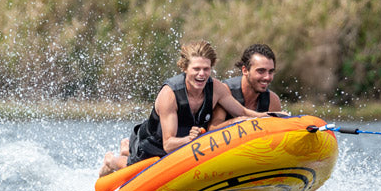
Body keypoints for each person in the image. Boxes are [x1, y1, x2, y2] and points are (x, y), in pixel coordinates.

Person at [99, 40, 274, 177]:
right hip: (152, 143)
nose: (202, 74)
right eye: (196, 69)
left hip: (185, 142)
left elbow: (243, 113)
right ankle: (113, 159)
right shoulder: (170, 94)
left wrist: (272, 117)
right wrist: (190, 140)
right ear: (185, 68)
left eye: (206, 69)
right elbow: (168, 145)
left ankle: (126, 148)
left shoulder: (217, 89)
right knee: (139, 167)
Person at [208, 43, 283, 130]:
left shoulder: (272, 100)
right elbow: (212, 129)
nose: (267, 77)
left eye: (270, 72)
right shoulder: (225, 91)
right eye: (261, 71)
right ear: (245, 70)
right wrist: (235, 122)